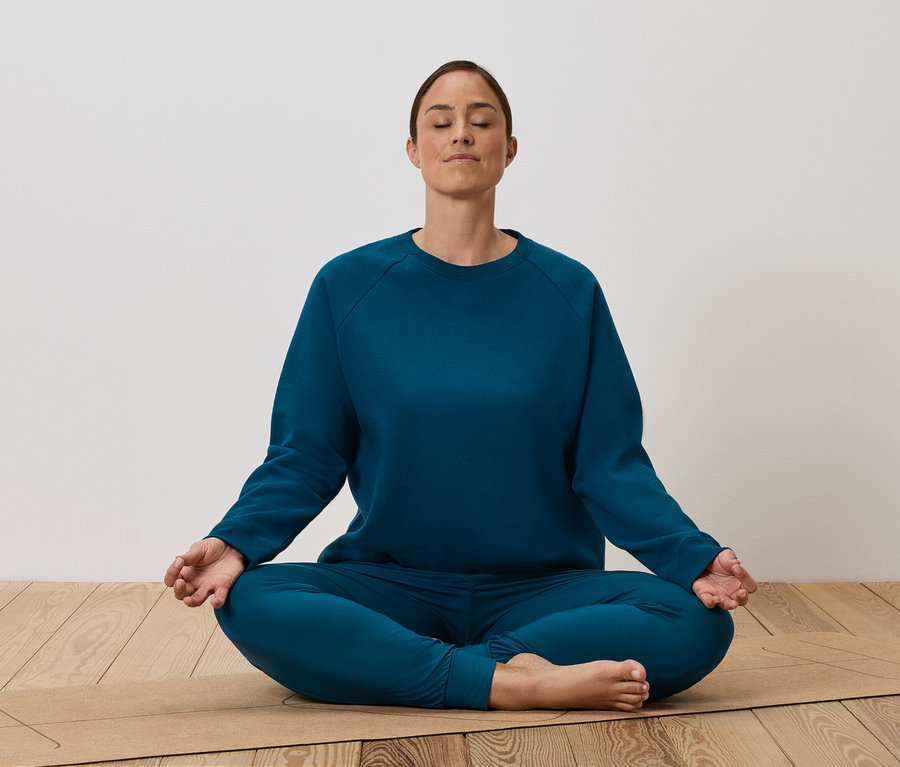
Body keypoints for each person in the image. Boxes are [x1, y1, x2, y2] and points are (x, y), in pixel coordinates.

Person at [165, 60, 757, 712]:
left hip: (546, 590)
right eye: (440, 123)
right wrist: (238, 539)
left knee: (696, 620)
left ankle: (427, 670)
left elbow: (610, 467)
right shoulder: (347, 287)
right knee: (252, 598)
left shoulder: (570, 293)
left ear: (509, 150)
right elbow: (307, 454)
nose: (462, 135)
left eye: (482, 122)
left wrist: (692, 557)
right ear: (414, 151)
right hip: (392, 582)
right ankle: (514, 678)